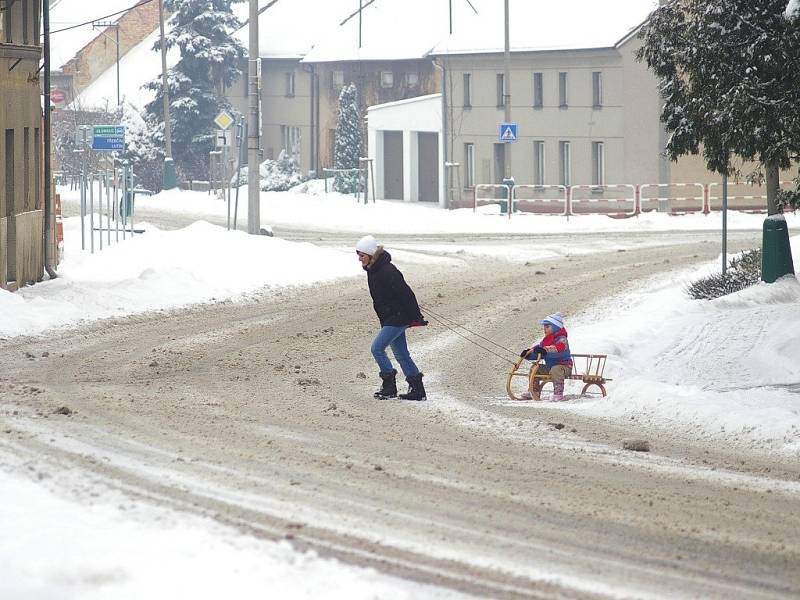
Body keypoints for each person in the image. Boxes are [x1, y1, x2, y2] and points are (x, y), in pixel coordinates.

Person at [356, 235, 428, 401]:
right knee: (401, 353)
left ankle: (389, 385)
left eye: (362, 255)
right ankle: (417, 390)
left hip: (397, 317)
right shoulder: (374, 270)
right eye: (358, 255)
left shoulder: (387, 270)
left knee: (377, 348)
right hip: (390, 317)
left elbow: (406, 293)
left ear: (371, 255)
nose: (359, 259)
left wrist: (416, 316)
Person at [519, 312, 573, 401]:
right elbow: (539, 350)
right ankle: (534, 391)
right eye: (544, 327)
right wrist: (529, 354)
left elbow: (558, 349)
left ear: (556, 327)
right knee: (535, 368)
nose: (545, 329)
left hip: (565, 367)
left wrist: (545, 350)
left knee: (556, 369)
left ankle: (558, 393)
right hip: (550, 367)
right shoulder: (546, 341)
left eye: (547, 327)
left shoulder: (562, 339)